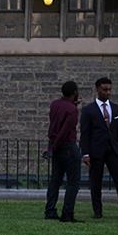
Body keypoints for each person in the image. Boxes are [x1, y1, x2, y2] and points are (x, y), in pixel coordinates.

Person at [80, 77, 118, 220]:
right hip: (96, 151)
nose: (108, 92)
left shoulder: (117, 108)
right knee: (95, 183)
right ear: (97, 89)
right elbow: (85, 133)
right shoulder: (88, 110)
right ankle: (97, 212)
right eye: (105, 89)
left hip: (114, 150)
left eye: (110, 89)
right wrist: (85, 153)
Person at [44, 81, 82, 222]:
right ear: (74, 93)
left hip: (56, 146)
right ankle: (67, 213)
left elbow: (55, 125)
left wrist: (52, 147)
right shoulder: (72, 110)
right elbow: (65, 130)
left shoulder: (55, 104)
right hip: (68, 147)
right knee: (73, 182)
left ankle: (50, 210)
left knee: (55, 180)